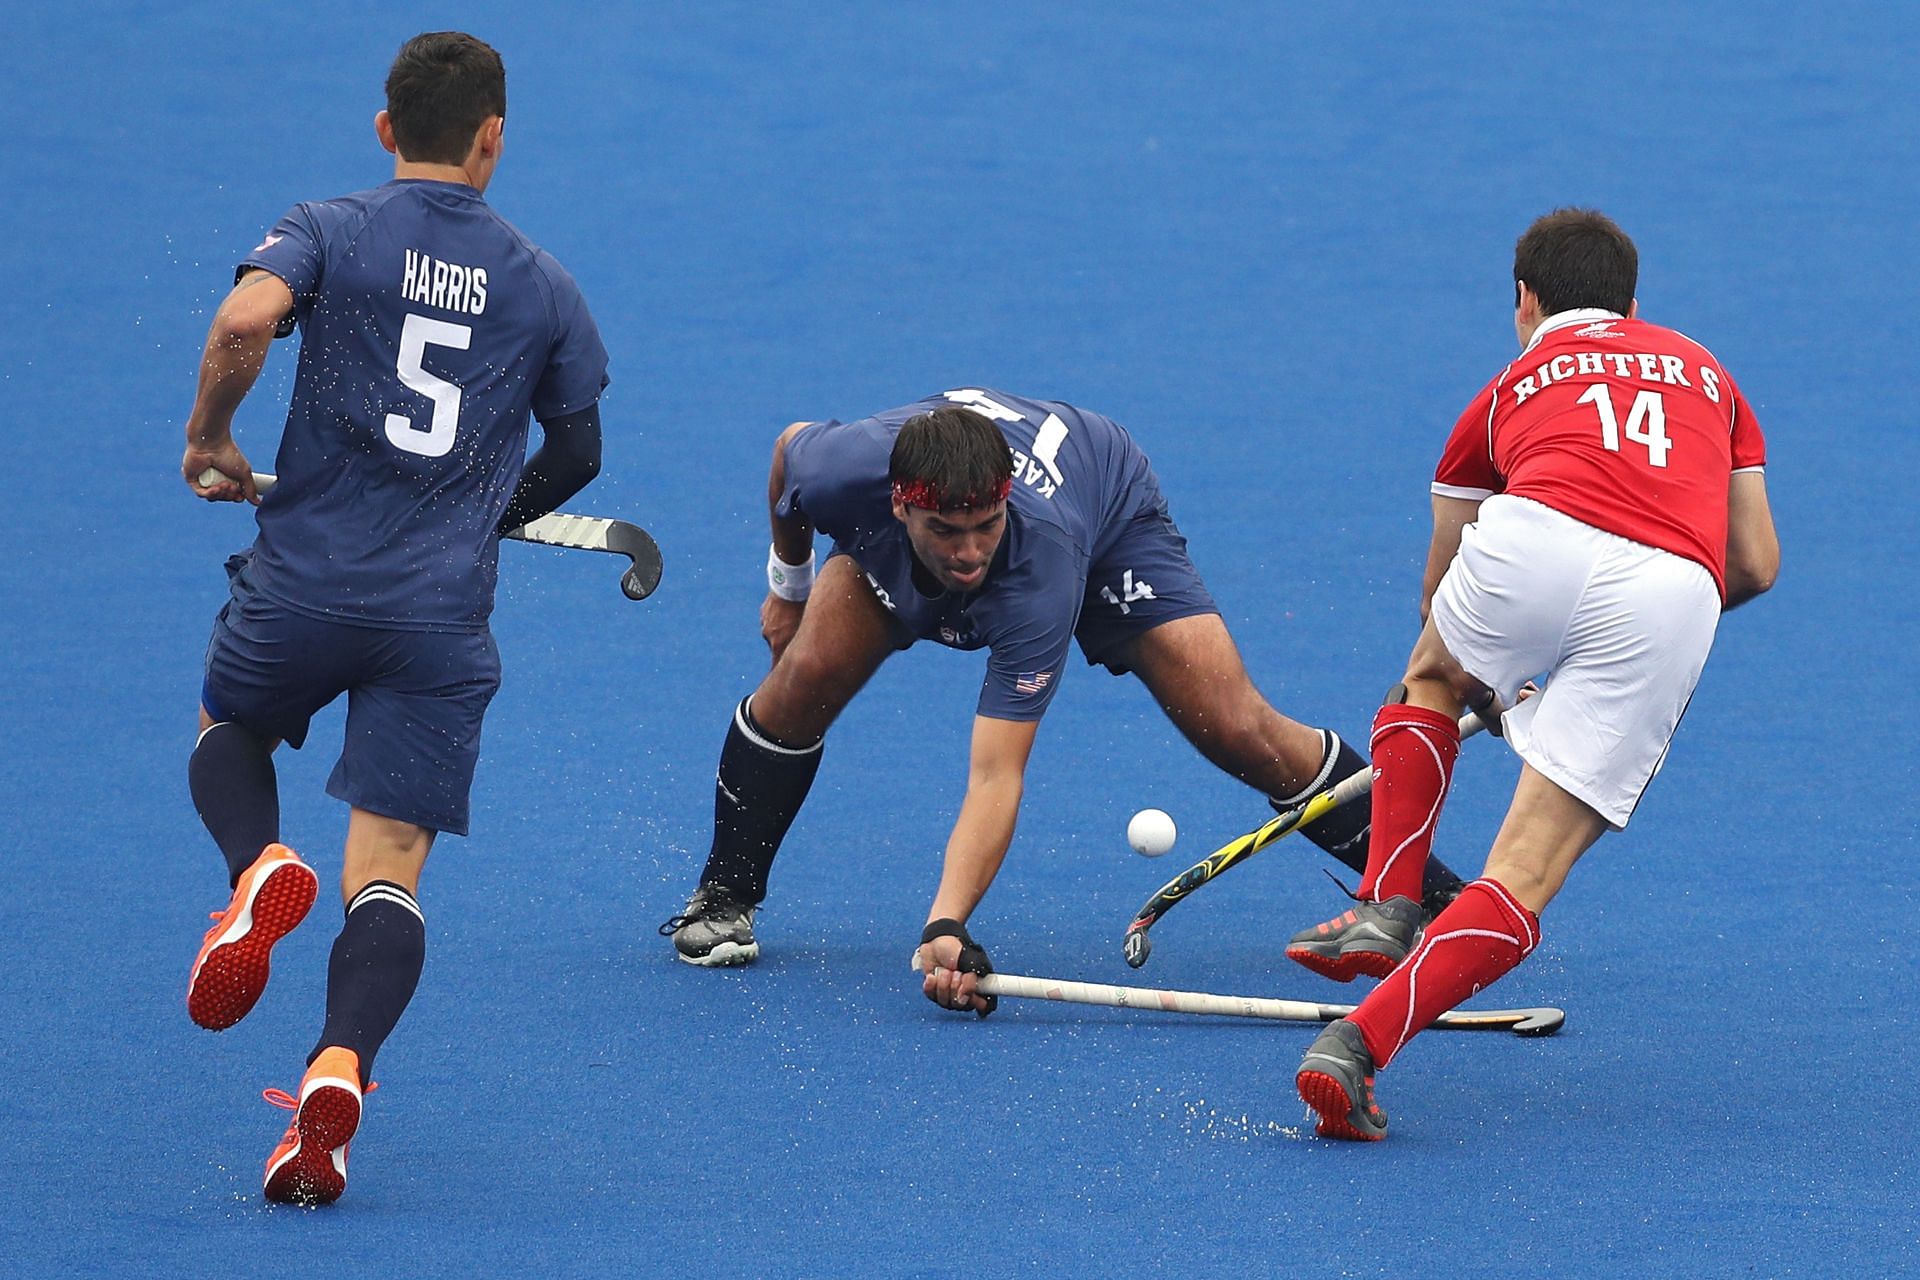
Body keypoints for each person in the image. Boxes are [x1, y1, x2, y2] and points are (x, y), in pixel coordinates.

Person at [180, 32, 609, 1204]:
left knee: (231, 725)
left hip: (302, 585)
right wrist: (486, 506)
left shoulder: (331, 227)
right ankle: (337, 1070)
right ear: (493, 137)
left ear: (386, 129)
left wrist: (212, 433)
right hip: (437, 619)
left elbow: (241, 324)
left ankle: (258, 862)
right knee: (390, 876)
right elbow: (578, 448)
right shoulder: (544, 282)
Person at [658, 388, 1465, 1010]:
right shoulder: (842, 472)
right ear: (901, 505)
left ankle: (1425, 895)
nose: (970, 553)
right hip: (912, 529)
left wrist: (945, 923)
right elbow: (785, 456)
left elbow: (995, 775)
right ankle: (725, 893)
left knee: (1236, 727)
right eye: (947, 530)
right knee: (801, 679)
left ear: (1004, 500)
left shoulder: (1034, 572)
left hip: (1105, 515)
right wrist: (788, 588)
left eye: (985, 525)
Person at [1287, 209, 1780, 1140]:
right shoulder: (1710, 373)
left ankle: (1387, 899)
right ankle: (1355, 1046)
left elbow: (1440, 596)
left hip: (1536, 538)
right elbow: (1753, 562)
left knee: (1426, 678)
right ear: (1634, 306)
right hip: (1674, 589)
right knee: (1525, 873)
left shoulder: (1508, 383)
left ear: (1524, 301)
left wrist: (1489, 674)